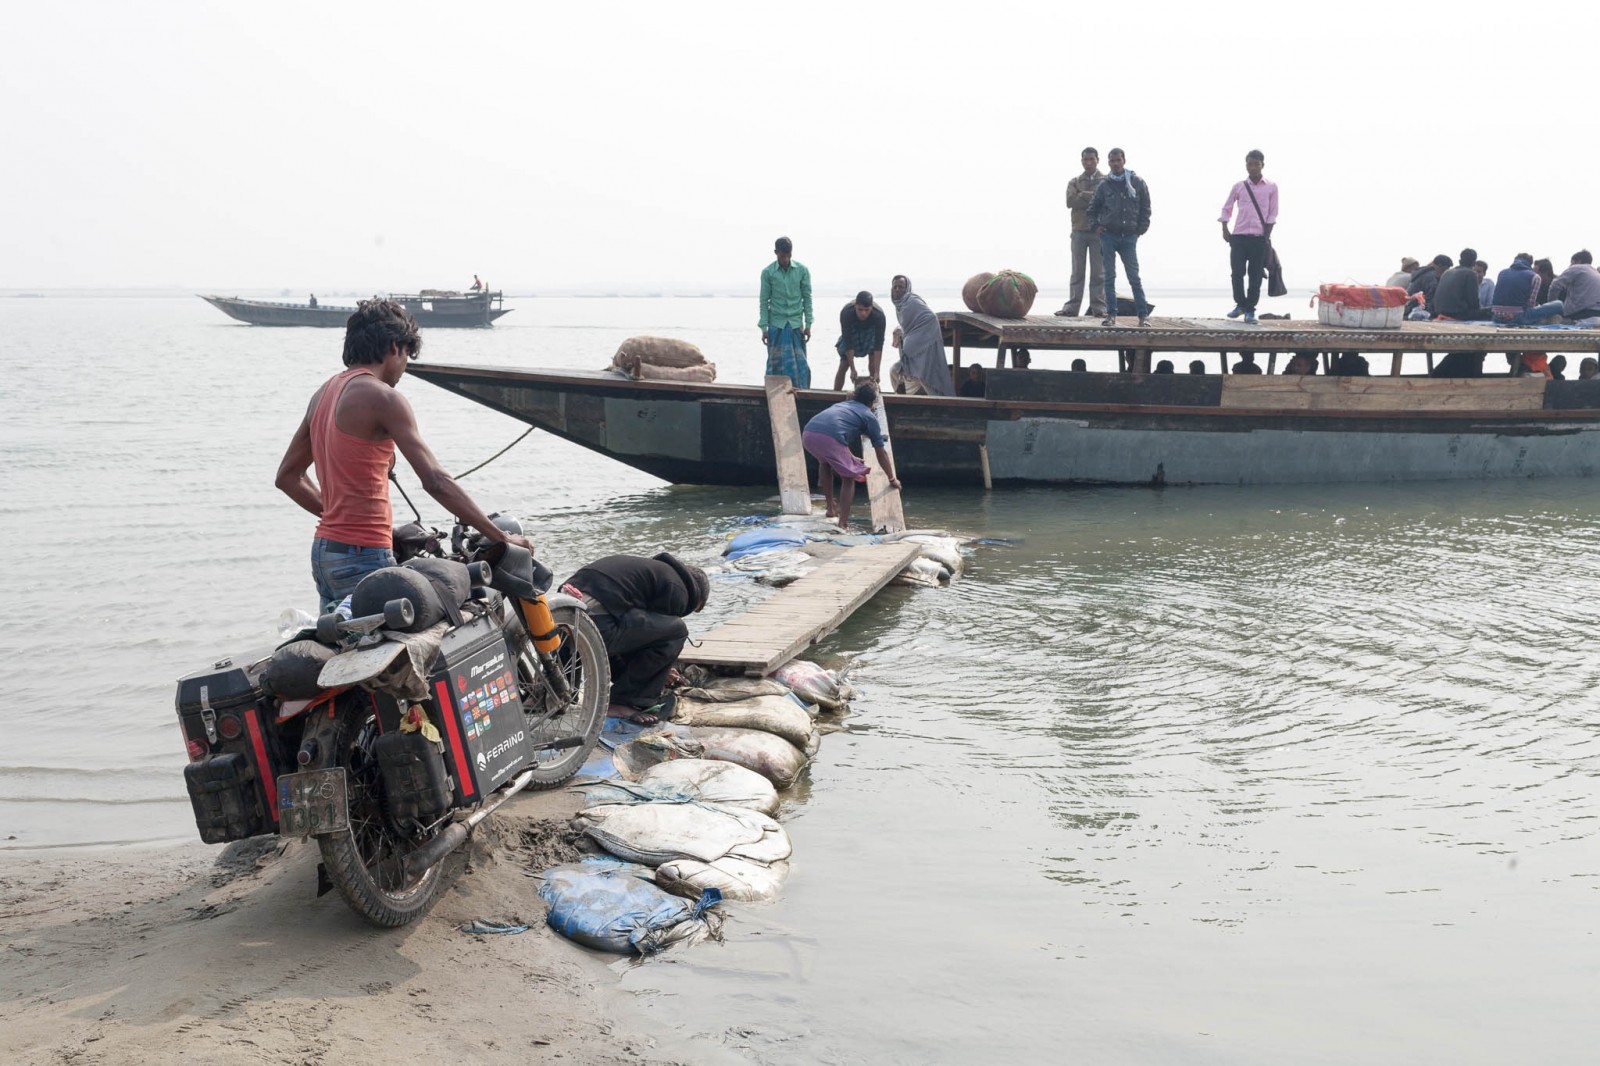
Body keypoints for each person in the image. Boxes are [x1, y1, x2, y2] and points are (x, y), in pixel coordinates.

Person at [275, 299, 533, 610]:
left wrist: (339, 518)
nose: (405, 367)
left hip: (325, 552)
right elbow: (436, 480)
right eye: (408, 356)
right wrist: (501, 538)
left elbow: (288, 477)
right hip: (365, 557)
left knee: (346, 645)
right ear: (395, 347)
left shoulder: (324, 392)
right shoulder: (385, 398)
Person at [563, 553, 709, 725]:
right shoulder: (679, 590)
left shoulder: (654, 572)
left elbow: (636, 632)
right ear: (697, 597)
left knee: (574, 640)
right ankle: (623, 702)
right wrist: (658, 672)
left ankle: (554, 694)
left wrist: (662, 671)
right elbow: (649, 643)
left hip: (564, 611)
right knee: (677, 630)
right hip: (598, 617)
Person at [801, 380, 901, 530]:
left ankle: (831, 509)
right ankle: (843, 523)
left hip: (808, 434)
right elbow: (881, 452)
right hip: (829, 439)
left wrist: (851, 457)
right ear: (872, 402)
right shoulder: (869, 416)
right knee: (848, 478)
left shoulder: (842, 405)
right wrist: (892, 478)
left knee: (824, 462)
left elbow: (839, 432)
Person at [1089, 148, 1152, 327]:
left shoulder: (1137, 182)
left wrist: (1140, 230)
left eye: (1118, 160)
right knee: (1109, 277)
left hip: (1129, 237)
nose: (1115, 163)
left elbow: (1146, 208)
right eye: (1112, 161)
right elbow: (1092, 209)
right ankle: (1111, 315)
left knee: (1134, 277)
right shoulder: (1104, 185)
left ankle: (1143, 316)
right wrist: (1096, 227)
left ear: (1123, 161)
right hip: (1108, 236)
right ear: (1108, 163)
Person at [1219, 149, 1278, 324]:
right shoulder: (1239, 186)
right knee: (1237, 273)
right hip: (1238, 236)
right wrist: (1224, 228)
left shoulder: (1271, 187)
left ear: (1262, 165)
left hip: (1259, 238)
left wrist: (1266, 237)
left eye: (1256, 164)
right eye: (1249, 164)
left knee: (1255, 276)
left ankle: (1250, 310)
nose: (1252, 168)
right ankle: (1240, 305)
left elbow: (1272, 214)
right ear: (1246, 165)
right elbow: (1226, 208)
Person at [1056, 147, 1107, 318]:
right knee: (1077, 272)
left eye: (1092, 159)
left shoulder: (1106, 181)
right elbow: (1070, 201)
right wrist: (1092, 196)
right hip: (1078, 231)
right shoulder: (1075, 181)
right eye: (1085, 159)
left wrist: (1083, 196)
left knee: (1098, 273)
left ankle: (1099, 308)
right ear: (1082, 161)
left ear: (1097, 160)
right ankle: (1071, 308)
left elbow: (1107, 202)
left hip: (1098, 232)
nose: (1089, 162)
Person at [759, 237, 814, 388]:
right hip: (776, 325)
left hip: (796, 325)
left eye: (788, 255)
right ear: (776, 253)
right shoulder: (768, 273)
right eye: (782, 255)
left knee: (800, 364)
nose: (785, 259)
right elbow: (764, 301)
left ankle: (801, 392)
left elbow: (807, 298)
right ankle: (774, 392)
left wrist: (808, 324)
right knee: (775, 363)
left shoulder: (802, 271)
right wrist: (764, 328)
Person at [889, 275, 954, 395]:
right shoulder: (900, 305)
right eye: (895, 287)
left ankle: (942, 404)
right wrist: (901, 332)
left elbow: (930, 318)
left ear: (907, 288)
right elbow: (909, 326)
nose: (897, 290)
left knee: (926, 378)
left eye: (901, 287)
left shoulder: (911, 301)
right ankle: (900, 399)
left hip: (922, 351)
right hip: (912, 355)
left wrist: (913, 338)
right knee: (894, 371)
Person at [834, 290, 886, 390]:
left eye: (867, 310)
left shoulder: (879, 316)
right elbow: (848, 342)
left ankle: (874, 394)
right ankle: (835, 394)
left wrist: (877, 372)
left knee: (873, 367)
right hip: (853, 331)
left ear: (871, 307)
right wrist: (853, 369)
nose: (863, 313)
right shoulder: (846, 313)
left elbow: (878, 345)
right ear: (855, 307)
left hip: (870, 332)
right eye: (860, 310)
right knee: (844, 364)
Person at [1433, 249, 1494, 321]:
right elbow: (1474, 302)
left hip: (1439, 312)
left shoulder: (1447, 272)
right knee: (1492, 311)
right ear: (1474, 262)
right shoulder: (1470, 274)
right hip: (1458, 314)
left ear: (1460, 259)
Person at [1546, 250, 1600, 322]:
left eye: (1571, 263)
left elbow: (1555, 285)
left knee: (1550, 320)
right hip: (1597, 313)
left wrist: (1551, 305)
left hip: (1580, 314)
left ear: (1578, 261)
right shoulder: (1596, 273)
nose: (1570, 266)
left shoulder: (1576, 268)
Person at [1491, 254, 1543, 323]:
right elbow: (1530, 305)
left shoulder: (1502, 273)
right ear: (1530, 264)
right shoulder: (1535, 277)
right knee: (1558, 304)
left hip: (1497, 317)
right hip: (1517, 318)